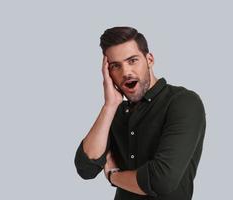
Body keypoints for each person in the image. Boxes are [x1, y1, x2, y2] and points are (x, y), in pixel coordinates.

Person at [74, 26, 206, 200]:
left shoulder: (183, 102)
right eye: (115, 66)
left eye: (132, 60)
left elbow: (161, 181)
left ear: (149, 59)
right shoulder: (115, 113)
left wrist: (113, 176)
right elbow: (86, 168)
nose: (126, 72)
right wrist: (110, 105)